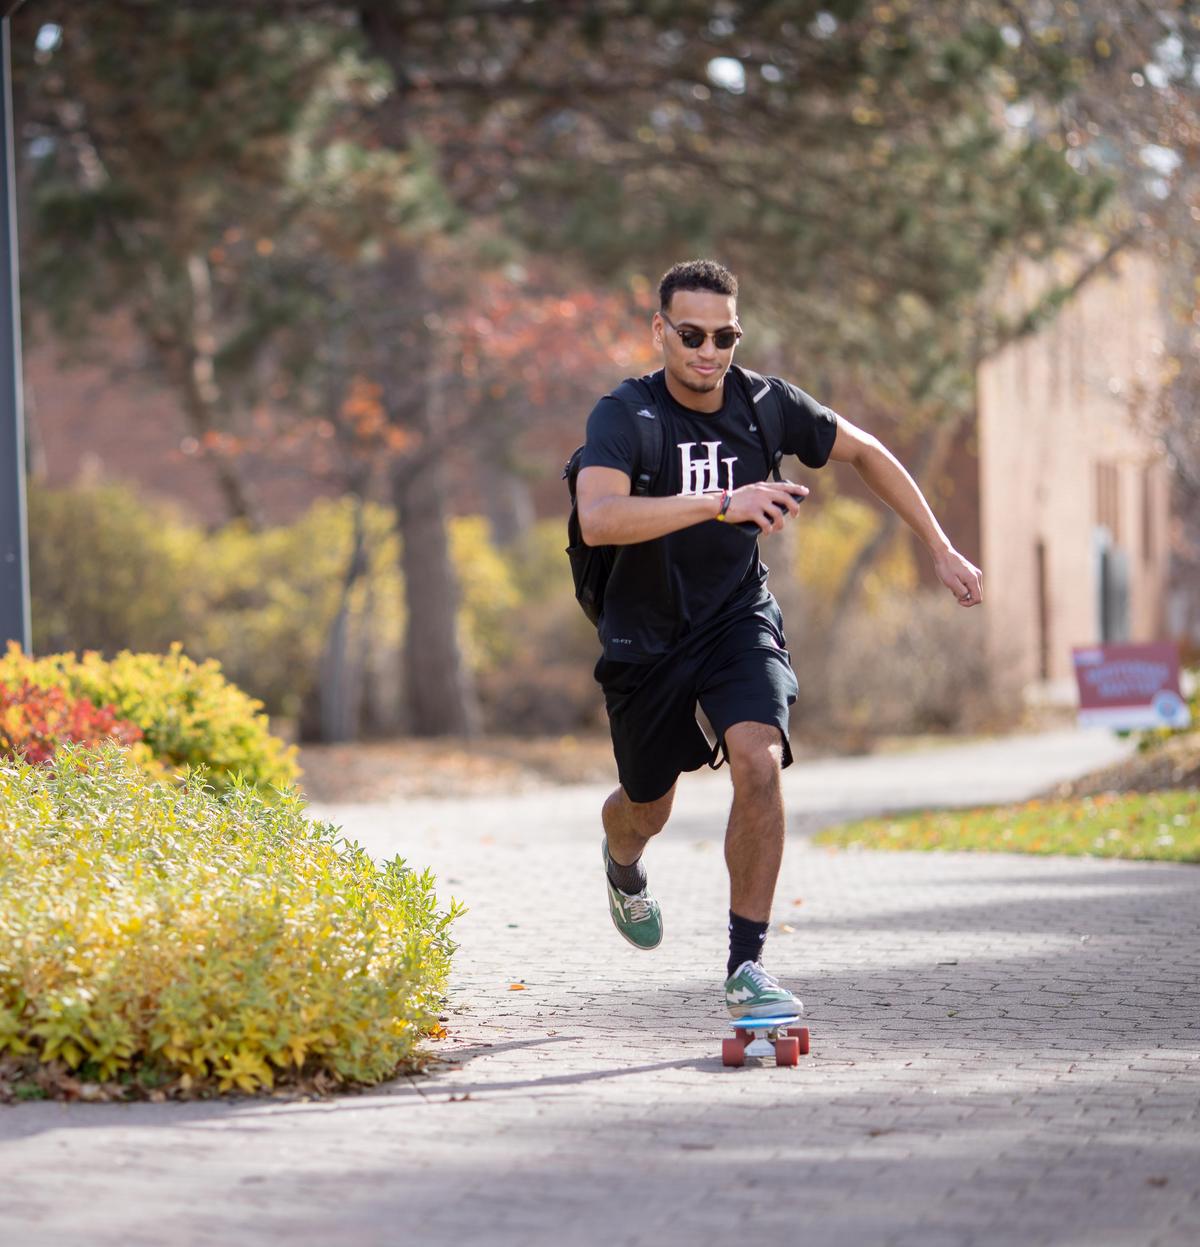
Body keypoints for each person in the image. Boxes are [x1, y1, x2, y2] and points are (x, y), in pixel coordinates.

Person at [575, 259, 983, 1019]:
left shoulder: (766, 404)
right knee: (645, 807)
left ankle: (746, 965)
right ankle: (622, 862)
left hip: (736, 617)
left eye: (724, 336)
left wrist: (940, 546)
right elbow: (600, 519)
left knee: (759, 762)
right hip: (645, 636)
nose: (709, 351)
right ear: (659, 330)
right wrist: (720, 502)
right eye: (691, 335)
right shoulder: (625, 415)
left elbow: (867, 451)